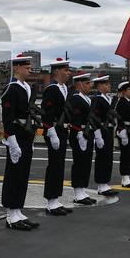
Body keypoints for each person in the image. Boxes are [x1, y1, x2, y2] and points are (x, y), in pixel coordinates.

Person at [0, 54, 40, 230]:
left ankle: (18, 210)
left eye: (29, 66)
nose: (29, 69)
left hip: (26, 135)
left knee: (23, 174)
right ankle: (11, 214)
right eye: (25, 66)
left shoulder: (27, 88)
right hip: (16, 135)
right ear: (16, 68)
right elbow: (8, 118)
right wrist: (11, 140)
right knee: (14, 175)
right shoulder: (12, 88)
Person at [41, 58, 74, 216]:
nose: (69, 73)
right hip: (54, 130)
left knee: (59, 165)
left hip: (62, 130)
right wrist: (51, 131)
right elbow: (46, 114)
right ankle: (50, 201)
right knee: (54, 165)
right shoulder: (52, 89)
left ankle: (56, 199)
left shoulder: (64, 88)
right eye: (66, 70)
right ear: (57, 71)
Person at [67, 71, 97, 205]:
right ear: (79, 84)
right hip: (79, 132)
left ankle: (82, 189)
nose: (89, 85)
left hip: (87, 132)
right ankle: (77, 191)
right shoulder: (75, 98)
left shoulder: (87, 99)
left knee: (86, 162)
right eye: (87, 83)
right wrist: (79, 133)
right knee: (79, 161)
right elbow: (75, 117)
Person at [90, 75, 118, 198]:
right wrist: (97, 135)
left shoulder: (108, 99)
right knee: (102, 157)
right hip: (102, 129)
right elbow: (94, 117)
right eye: (106, 84)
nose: (109, 86)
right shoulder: (97, 99)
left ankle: (105, 182)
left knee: (108, 156)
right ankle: (101, 184)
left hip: (109, 129)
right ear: (100, 86)